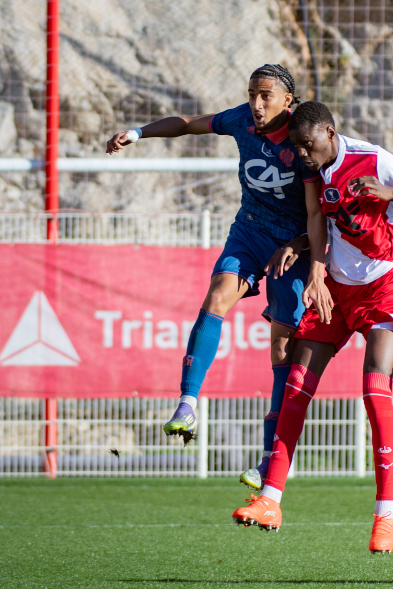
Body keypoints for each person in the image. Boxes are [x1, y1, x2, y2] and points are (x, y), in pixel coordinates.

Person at [231, 101, 393, 554]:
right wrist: (309, 261)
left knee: (374, 390)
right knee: (295, 384)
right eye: (297, 148)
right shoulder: (311, 168)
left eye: (308, 146)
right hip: (334, 287)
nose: (303, 156)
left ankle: (385, 517)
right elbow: (317, 219)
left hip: (383, 287)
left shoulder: (374, 160)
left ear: (330, 132)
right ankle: (270, 499)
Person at [106, 64, 315, 491]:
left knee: (281, 345)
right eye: (252, 94)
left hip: (294, 245)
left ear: (287, 102)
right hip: (250, 231)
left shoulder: (304, 138)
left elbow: (320, 212)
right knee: (216, 297)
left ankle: (271, 457)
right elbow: (186, 125)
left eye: (265, 96)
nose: (256, 104)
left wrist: (301, 247)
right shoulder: (240, 119)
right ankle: (186, 404)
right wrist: (138, 132)